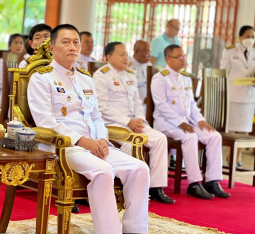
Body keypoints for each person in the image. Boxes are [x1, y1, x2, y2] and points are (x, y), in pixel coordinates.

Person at [28, 24, 149, 234]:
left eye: (76, 42)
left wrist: (102, 139)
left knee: (140, 169)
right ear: (53, 48)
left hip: (95, 144)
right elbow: (45, 122)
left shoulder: (86, 78)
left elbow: (97, 116)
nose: (73, 47)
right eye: (65, 42)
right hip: (64, 147)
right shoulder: (41, 78)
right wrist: (84, 141)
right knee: (103, 171)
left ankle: (135, 230)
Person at [93, 41, 174, 204]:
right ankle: (126, 188)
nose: (126, 58)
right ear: (109, 57)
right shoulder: (101, 75)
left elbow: (137, 101)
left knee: (160, 139)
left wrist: (139, 120)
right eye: (121, 54)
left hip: (134, 122)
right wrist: (127, 121)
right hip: (114, 124)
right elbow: (101, 106)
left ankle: (156, 187)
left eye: (127, 54)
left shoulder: (130, 74)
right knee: (131, 143)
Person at [151, 44, 230, 199]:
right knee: (190, 137)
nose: (183, 60)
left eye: (184, 56)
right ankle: (194, 184)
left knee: (214, 136)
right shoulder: (160, 78)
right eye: (179, 57)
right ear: (168, 59)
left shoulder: (186, 79)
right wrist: (180, 123)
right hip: (166, 123)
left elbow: (192, 105)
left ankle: (212, 181)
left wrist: (201, 121)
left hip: (187, 122)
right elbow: (161, 106)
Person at [220, 25, 255, 167]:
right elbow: (223, 71)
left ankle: (238, 156)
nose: (250, 39)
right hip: (233, 93)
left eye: (252, 37)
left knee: (245, 128)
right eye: (247, 36)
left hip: (249, 95)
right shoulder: (230, 51)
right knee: (231, 127)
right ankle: (230, 154)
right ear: (240, 37)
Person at [0, 33, 25, 105]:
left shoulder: (26, 61)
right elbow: (0, 83)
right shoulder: (2, 61)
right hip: (6, 94)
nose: (19, 45)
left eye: (21, 43)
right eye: (16, 42)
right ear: (9, 46)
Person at [128, 40, 152, 104]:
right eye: (147, 52)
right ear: (137, 52)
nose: (149, 55)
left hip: (150, 103)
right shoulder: (127, 67)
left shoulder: (149, 65)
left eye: (150, 52)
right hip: (135, 104)